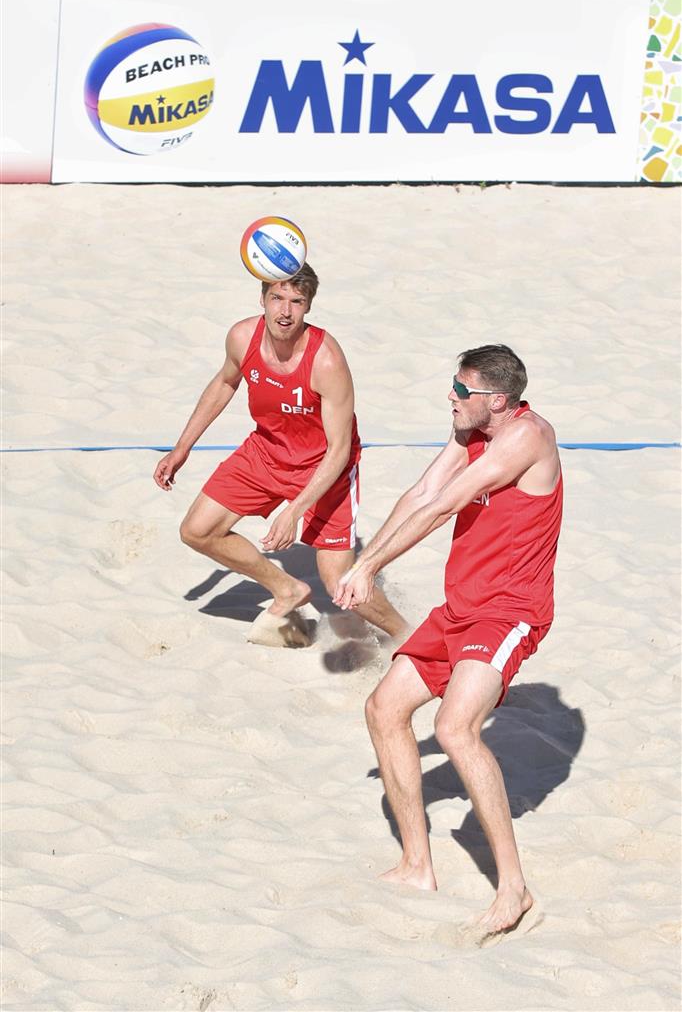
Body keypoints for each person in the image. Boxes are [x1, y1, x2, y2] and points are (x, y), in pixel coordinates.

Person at [334, 344, 562, 940]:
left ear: (500, 400)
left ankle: (513, 889)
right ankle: (417, 865)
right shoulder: (471, 431)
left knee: (455, 728)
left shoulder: (527, 436)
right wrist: (363, 564)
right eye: (454, 386)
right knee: (384, 709)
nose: (452, 398)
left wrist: (370, 567)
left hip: (509, 612)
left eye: (464, 391)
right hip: (461, 608)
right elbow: (420, 493)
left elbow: (444, 506)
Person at [153, 262, 408, 645]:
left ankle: (408, 636)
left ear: (308, 307)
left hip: (324, 467)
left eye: (296, 301)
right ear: (262, 300)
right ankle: (287, 589)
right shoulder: (242, 337)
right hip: (266, 451)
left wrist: (294, 511)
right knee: (196, 531)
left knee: (339, 583)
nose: (285, 312)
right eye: (277, 298)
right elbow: (224, 383)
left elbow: (339, 450)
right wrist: (181, 448)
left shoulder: (326, 360)